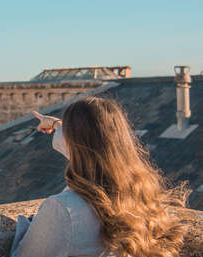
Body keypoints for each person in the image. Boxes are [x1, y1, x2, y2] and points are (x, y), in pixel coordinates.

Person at [11, 96, 189, 257]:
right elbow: (90, 143)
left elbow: (23, 254)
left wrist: (25, 227)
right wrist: (57, 124)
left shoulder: (63, 208)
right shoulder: (141, 192)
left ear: (71, 142)